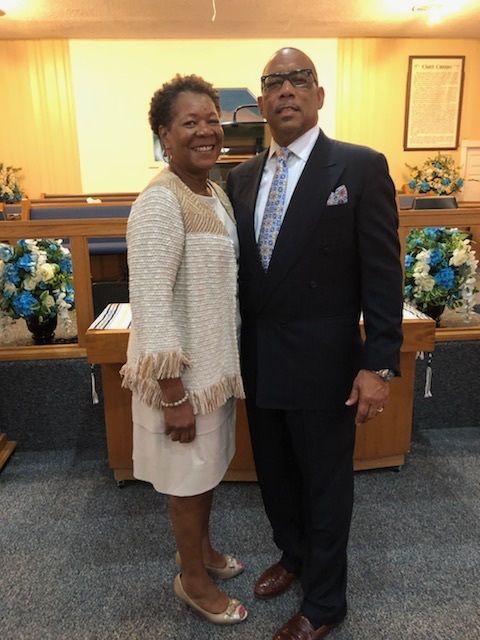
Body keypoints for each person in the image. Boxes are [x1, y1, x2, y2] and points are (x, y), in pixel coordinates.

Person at [227, 48, 403, 640]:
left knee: (326, 487)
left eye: (299, 79)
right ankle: (294, 555)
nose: (286, 90)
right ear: (261, 101)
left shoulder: (359, 167)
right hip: (259, 357)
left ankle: (325, 603)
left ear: (319, 95)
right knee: (275, 476)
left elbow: (383, 273)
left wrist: (379, 363)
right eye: (274, 82)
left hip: (326, 364)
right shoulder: (241, 178)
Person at [121, 74, 247, 626]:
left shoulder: (214, 193)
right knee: (186, 485)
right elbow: (150, 301)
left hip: (212, 372)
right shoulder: (159, 201)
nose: (205, 131)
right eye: (189, 122)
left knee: (205, 474)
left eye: (212, 120)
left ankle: (203, 552)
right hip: (181, 381)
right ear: (164, 136)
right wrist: (173, 393)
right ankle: (192, 580)